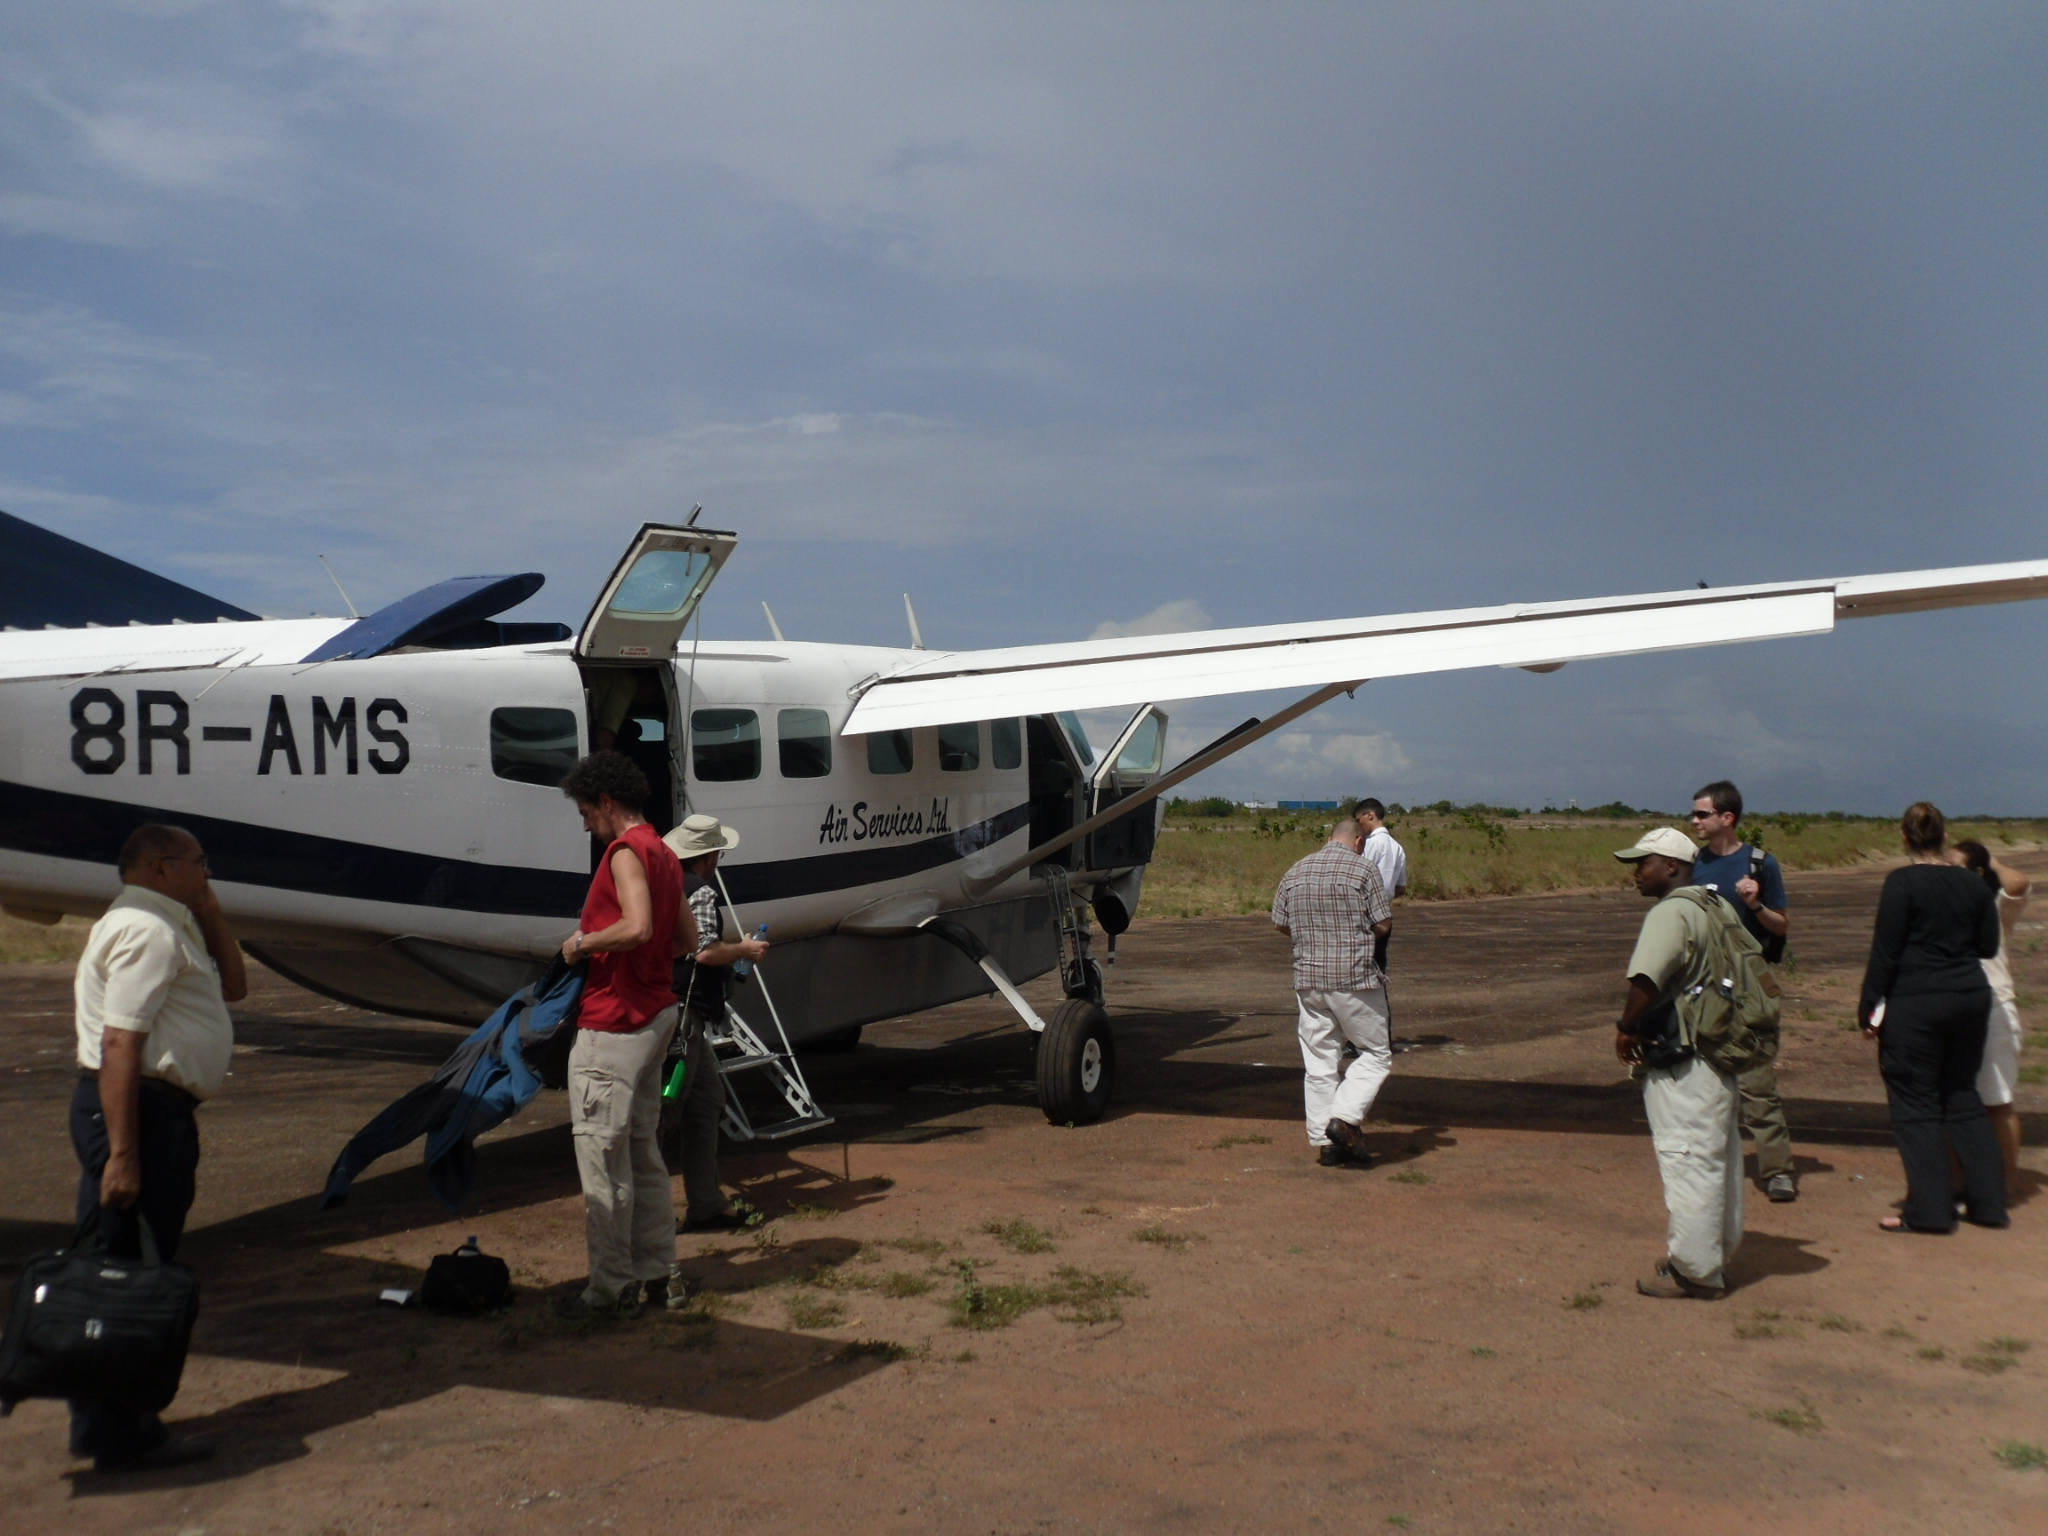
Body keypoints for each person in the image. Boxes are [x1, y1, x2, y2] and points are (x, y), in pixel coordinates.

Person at [68, 823, 245, 1470]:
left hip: (151, 1109)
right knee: (128, 1274)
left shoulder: (169, 918)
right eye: (200, 863)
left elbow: (235, 987)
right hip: (137, 1110)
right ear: (161, 867)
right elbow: (121, 1042)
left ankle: (110, 1422)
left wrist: (210, 912)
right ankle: (119, 1430)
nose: (208, 872)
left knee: (132, 1264)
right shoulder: (146, 929)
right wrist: (123, 1152)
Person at [556, 752, 693, 1318]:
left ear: (607, 804)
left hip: (616, 1023)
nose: (585, 823)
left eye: (587, 811)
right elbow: (684, 939)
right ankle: (660, 1272)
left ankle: (611, 1285)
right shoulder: (663, 851)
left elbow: (636, 927)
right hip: (656, 1015)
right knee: (642, 1152)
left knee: (601, 1156)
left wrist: (582, 944)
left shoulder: (623, 853)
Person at [1858, 802, 2005, 1235]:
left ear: (1904, 837)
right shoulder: (1975, 886)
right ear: (1944, 836)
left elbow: (1885, 952)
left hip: (1917, 1002)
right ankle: (1989, 1205)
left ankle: (1930, 1212)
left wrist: (1868, 1009)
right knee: (1963, 1096)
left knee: (1916, 1104)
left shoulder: (1901, 883)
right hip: (1970, 996)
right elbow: (1987, 947)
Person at [1611, 827, 1744, 1300]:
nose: (1636, 874)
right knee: (1717, 1157)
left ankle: (1695, 1271)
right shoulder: (1718, 905)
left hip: (1684, 1058)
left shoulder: (1671, 912)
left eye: (1643, 863)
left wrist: (1627, 1026)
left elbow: (1647, 978)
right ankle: (1713, 1253)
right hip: (1719, 1051)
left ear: (1671, 866)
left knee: (1685, 1159)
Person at [659, 814, 769, 1238]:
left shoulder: (668, 886)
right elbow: (702, 952)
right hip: (685, 1016)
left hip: (682, 1013)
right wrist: (743, 948)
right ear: (707, 858)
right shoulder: (701, 892)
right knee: (665, 1112)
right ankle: (650, 1215)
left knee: (706, 1102)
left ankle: (706, 1204)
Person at [1688, 780, 1797, 1204]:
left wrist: (1755, 905)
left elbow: (1781, 925)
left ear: (1726, 818)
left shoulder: (1760, 864)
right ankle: (1709, 1164)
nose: (1694, 821)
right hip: (1703, 984)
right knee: (1704, 1081)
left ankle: (1777, 1171)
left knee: (1757, 1082)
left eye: (1702, 814)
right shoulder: (1693, 864)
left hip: (1749, 987)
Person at [1271, 817, 1393, 1167]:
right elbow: (1383, 923)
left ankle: (1326, 1142)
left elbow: (1279, 922)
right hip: (1354, 979)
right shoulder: (1363, 870)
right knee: (1374, 1054)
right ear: (1358, 842)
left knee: (1320, 1063)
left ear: (1329, 838)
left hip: (1308, 980)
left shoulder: (1296, 870)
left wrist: (1312, 938)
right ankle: (1343, 1119)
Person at [1954, 840, 2030, 1189]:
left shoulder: (1995, 902)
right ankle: (1959, 1183)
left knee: (1997, 1101)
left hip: (1994, 1007)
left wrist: (1990, 858)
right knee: (1955, 1101)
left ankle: (2005, 1185)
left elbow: (2018, 883)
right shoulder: (1946, 903)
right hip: (1955, 1006)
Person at [1353, 797, 1408, 974]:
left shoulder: (1369, 844)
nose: (1358, 824)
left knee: (1359, 967)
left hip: (1365, 914)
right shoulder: (1397, 847)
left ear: (1369, 815)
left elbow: (1356, 877)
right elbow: (1401, 888)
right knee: (1379, 965)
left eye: (1358, 819)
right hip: (1385, 914)